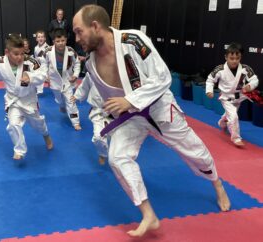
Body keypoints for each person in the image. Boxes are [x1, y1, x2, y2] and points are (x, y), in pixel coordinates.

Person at [73, 4, 231, 237]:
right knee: (117, 157)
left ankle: (217, 184)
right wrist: (111, 111)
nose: (76, 38)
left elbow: (162, 76)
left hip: (159, 109)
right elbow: (110, 101)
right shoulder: (91, 65)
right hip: (130, 119)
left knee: (194, 152)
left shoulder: (132, 40)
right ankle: (148, 213)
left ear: (95, 26)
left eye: (79, 31)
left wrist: (130, 100)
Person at [0, 34, 53, 162]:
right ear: (7, 52)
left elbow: (43, 74)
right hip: (13, 100)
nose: (20, 57)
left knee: (37, 123)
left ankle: (46, 135)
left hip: (29, 100)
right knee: (13, 124)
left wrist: (31, 77)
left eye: (22, 53)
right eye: (16, 54)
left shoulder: (31, 61)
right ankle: (19, 150)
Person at [206, 43, 259, 147]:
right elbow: (210, 80)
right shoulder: (220, 69)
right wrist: (209, 91)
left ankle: (222, 122)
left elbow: (254, 79)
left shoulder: (245, 68)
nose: (234, 61)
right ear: (226, 57)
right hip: (226, 97)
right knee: (234, 116)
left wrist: (250, 86)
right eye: (231, 58)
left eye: (237, 58)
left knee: (230, 114)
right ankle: (236, 138)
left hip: (239, 97)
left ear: (240, 57)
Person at [44, 28, 81, 130]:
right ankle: (61, 105)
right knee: (59, 100)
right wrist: (45, 75)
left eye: (63, 41)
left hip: (67, 81)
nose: (60, 43)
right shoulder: (48, 52)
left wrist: (76, 75)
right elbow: (44, 65)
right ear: (53, 42)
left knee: (71, 102)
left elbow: (77, 63)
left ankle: (75, 122)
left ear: (66, 40)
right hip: (54, 81)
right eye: (58, 41)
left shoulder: (70, 51)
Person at [71, 72, 110, 164]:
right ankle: (102, 153)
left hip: (120, 111)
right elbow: (85, 85)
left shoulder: (124, 68)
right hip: (98, 111)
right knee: (98, 137)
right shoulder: (93, 71)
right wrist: (77, 96)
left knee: (121, 142)